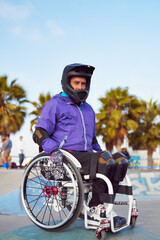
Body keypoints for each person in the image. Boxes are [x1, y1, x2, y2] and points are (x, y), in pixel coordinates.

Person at [33, 63, 128, 217]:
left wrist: (102, 152)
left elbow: (93, 139)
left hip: (86, 156)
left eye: (83, 83)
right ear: (67, 83)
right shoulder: (54, 104)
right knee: (104, 161)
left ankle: (104, 206)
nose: (80, 87)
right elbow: (39, 132)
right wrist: (53, 151)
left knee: (119, 161)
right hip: (64, 156)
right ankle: (94, 207)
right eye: (76, 83)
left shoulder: (88, 109)